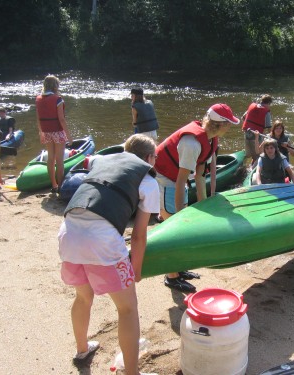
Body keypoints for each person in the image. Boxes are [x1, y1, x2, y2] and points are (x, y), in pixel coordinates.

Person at [58, 134, 159, 375]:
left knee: (83, 297)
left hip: (68, 232)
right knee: (127, 309)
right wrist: (135, 269)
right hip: (101, 241)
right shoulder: (148, 180)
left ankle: (82, 350)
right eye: (154, 157)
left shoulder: (102, 161)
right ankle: (132, 373)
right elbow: (139, 236)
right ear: (148, 158)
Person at [154, 103, 240, 293]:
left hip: (177, 181)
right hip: (166, 180)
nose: (230, 127)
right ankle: (171, 277)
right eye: (228, 123)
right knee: (174, 231)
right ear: (219, 124)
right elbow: (180, 180)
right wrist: (178, 218)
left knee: (183, 226)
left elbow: (200, 176)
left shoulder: (209, 139)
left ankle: (178, 269)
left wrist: (204, 207)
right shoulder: (191, 144)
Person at [35, 74, 73, 193]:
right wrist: (69, 136)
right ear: (55, 86)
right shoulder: (58, 99)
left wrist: (41, 132)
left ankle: (54, 185)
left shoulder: (38, 99)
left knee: (50, 159)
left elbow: (38, 118)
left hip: (46, 131)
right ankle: (60, 186)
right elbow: (61, 119)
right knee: (59, 160)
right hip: (57, 131)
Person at [241, 94, 273, 165]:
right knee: (258, 154)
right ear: (268, 103)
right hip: (257, 135)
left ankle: (246, 165)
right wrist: (271, 138)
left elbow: (243, 117)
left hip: (247, 133)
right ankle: (254, 168)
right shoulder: (266, 112)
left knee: (249, 153)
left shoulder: (252, 106)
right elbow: (269, 127)